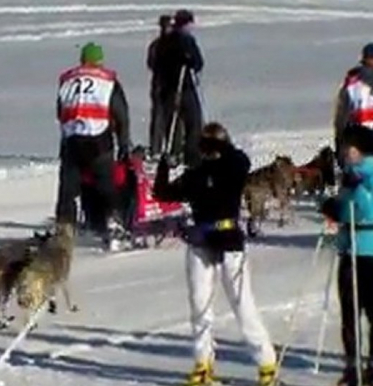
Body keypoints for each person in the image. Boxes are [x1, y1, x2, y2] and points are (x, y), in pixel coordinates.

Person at [153, 122, 277, 386]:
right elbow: (162, 193)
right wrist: (164, 167)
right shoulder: (196, 174)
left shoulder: (231, 168)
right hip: (200, 241)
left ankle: (266, 364)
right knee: (200, 305)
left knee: (242, 304)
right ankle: (203, 363)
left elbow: (241, 161)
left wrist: (222, 147)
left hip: (229, 240)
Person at [55, 42, 131, 250]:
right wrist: (124, 144)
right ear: (99, 61)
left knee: (68, 192)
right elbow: (120, 113)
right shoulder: (107, 80)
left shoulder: (67, 79)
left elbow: (60, 112)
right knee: (106, 186)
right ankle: (114, 228)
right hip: (99, 140)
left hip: (72, 141)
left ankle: (63, 234)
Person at [320, 125, 373, 386]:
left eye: (347, 148)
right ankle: (352, 367)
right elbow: (345, 209)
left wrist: (353, 191)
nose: (344, 153)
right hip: (350, 249)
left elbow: (363, 209)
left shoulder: (367, 175)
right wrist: (331, 206)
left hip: (369, 249)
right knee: (349, 313)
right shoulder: (349, 177)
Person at [153, 9, 204, 168]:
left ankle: (175, 152)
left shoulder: (164, 41)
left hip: (167, 88)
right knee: (193, 121)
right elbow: (198, 62)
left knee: (173, 120)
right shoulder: (185, 40)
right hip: (183, 86)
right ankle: (191, 155)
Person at [334, 43, 373, 168]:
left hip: (355, 140)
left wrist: (340, 144)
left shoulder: (351, 82)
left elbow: (341, 117)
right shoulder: (352, 82)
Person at [146, 14, 173, 158]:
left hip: (172, 84)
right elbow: (151, 63)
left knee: (174, 116)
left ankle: (173, 148)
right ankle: (156, 148)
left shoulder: (176, 43)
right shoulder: (156, 45)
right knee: (159, 116)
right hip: (161, 84)